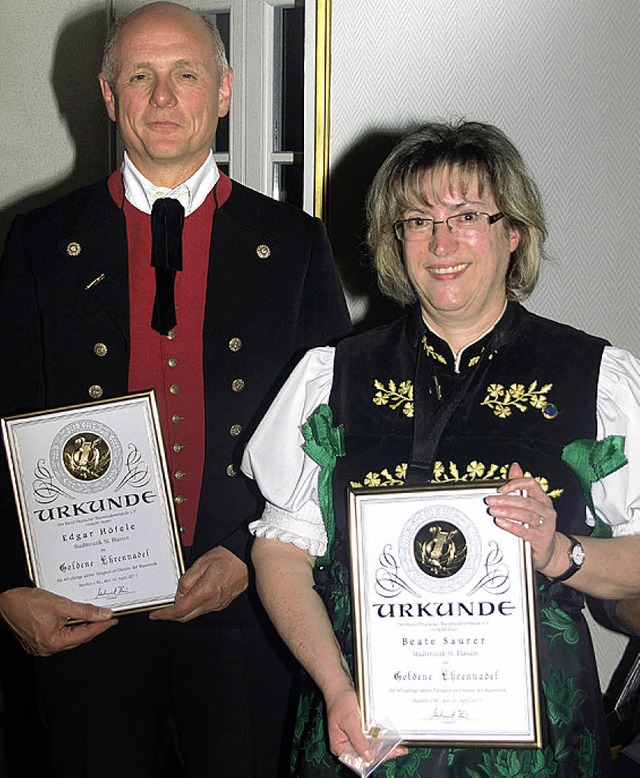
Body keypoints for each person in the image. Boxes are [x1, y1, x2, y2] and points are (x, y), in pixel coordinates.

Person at [0, 3, 350, 776]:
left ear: (223, 91)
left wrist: (243, 551)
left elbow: (333, 434)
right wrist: (4, 588)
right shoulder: (36, 243)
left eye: (185, 75)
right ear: (106, 94)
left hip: (247, 610)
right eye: (140, 77)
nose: (163, 98)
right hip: (79, 614)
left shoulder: (293, 244)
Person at [241, 120, 640, 777]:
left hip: (534, 749)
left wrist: (559, 551)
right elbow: (282, 551)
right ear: (395, 242)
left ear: (513, 231)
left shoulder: (595, 379)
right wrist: (334, 685)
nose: (441, 241)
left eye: (466, 215)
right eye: (417, 221)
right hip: (365, 734)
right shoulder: (330, 379)